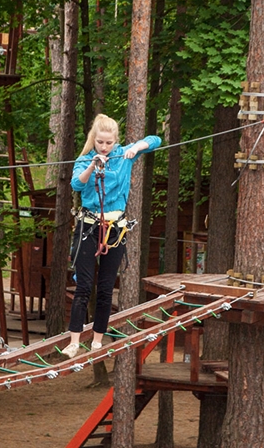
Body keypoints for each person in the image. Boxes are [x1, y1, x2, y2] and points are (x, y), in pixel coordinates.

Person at [61, 114, 161, 359]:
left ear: (115, 141)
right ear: (93, 140)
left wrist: (137, 147)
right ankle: (74, 341)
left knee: (106, 287)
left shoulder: (123, 155)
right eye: (100, 142)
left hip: (115, 229)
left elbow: (155, 140)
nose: (104, 147)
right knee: (84, 285)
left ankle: (97, 340)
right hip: (89, 227)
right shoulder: (85, 159)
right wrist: (92, 166)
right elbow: (76, 184)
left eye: (108, 143)